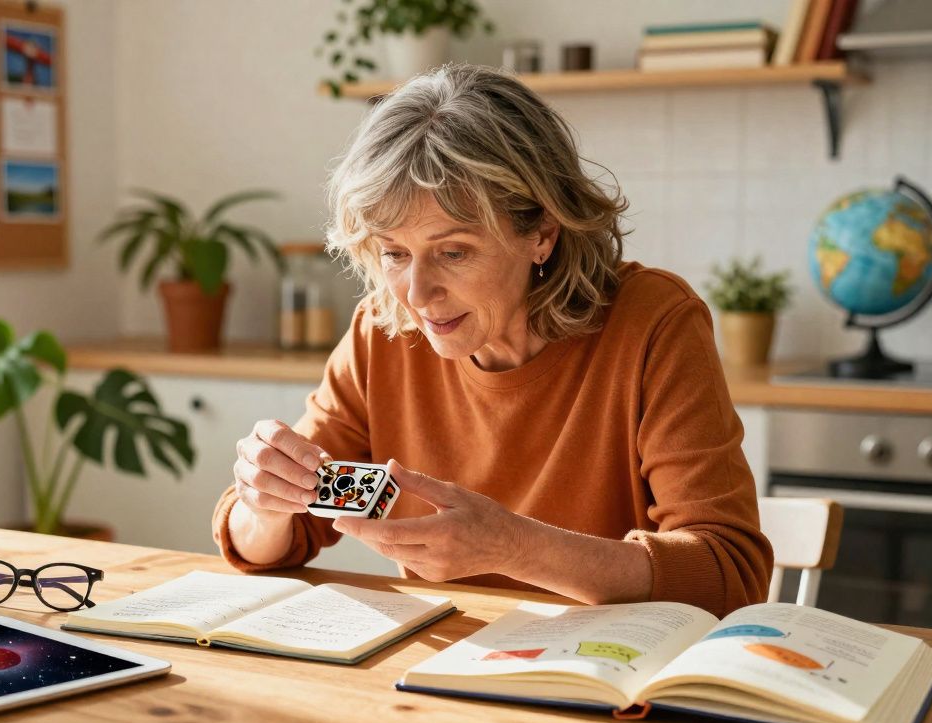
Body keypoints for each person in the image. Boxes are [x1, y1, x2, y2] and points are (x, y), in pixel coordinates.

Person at [210, 64, 771, 617]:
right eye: (394, 254)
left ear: (542, 235)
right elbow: (275, 542)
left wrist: (514, 547)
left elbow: (730, 574)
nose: (417, 294)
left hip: (609, 679)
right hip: (439, 679)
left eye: (453, 252)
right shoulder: (383, 331)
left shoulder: (653, 324)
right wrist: (266, 504)